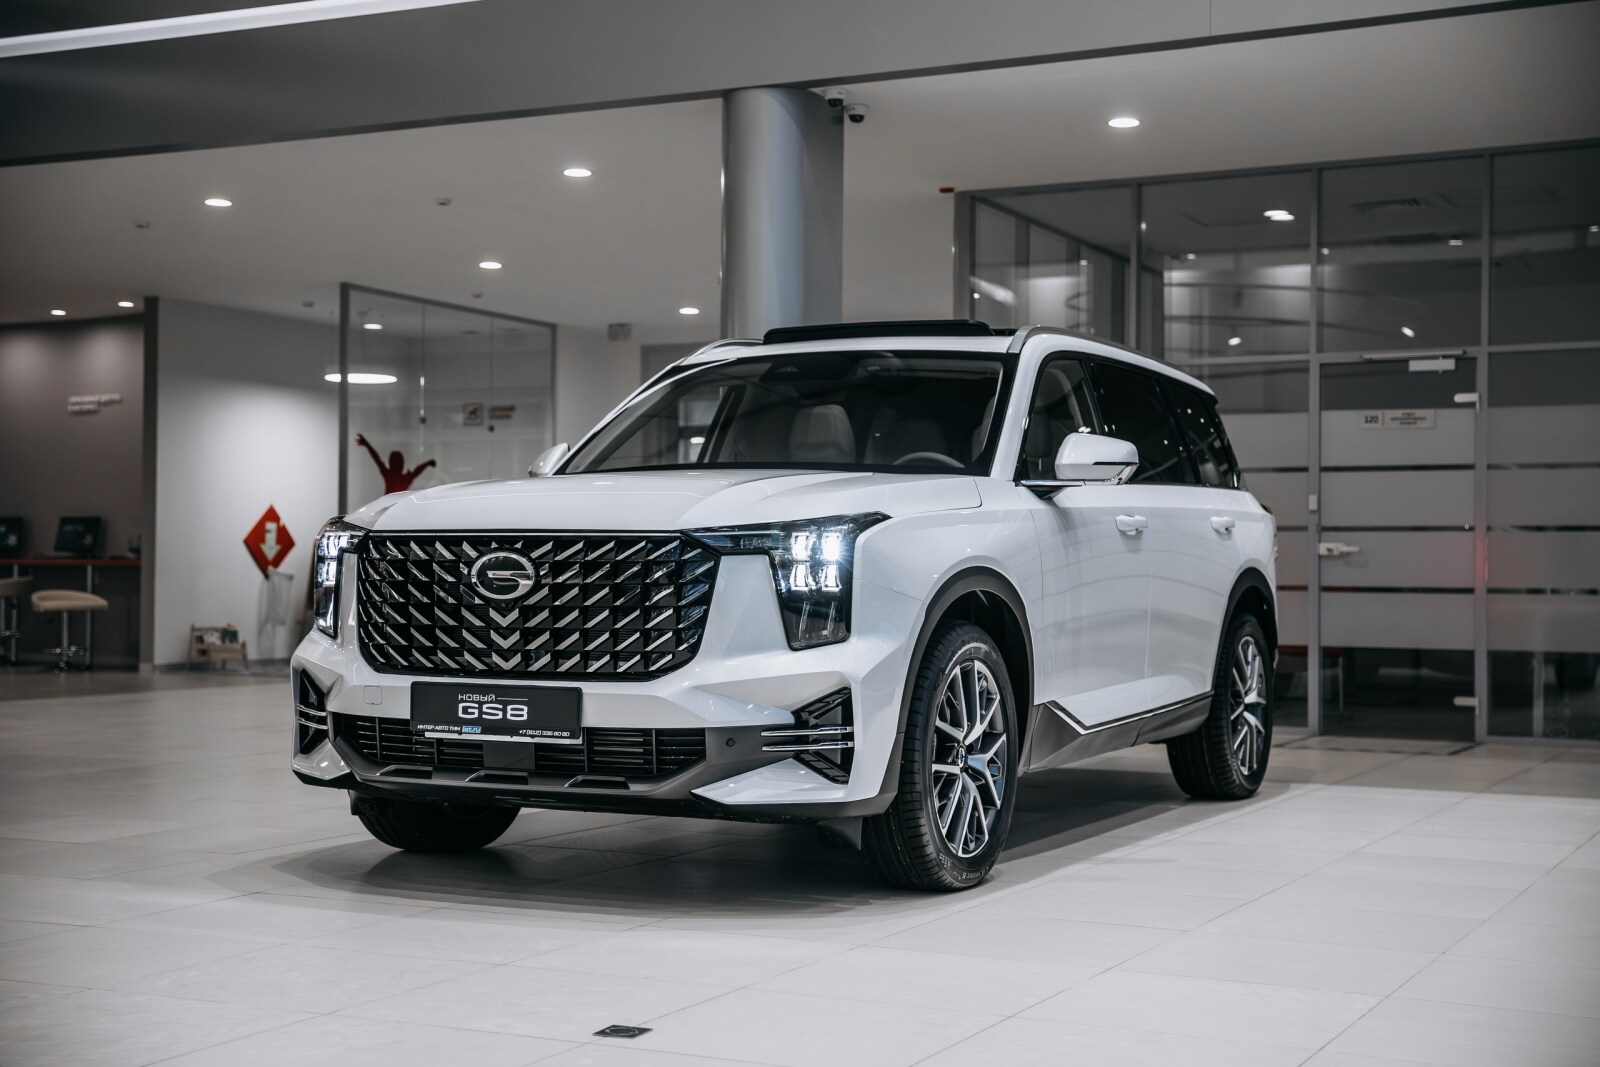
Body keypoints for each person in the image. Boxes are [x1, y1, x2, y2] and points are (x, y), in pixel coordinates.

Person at [356, 434, 436, 493]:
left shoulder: (390, 475)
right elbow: (416, 472)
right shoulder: (401, 478)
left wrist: (367, 444)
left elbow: (377, 459)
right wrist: (427, 463)